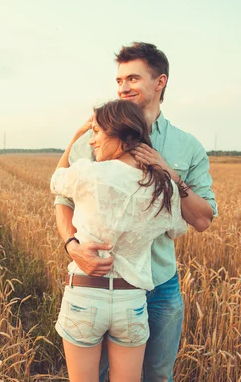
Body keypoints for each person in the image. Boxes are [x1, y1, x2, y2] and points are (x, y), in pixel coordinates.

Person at [54, 42, 218, 381]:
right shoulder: (95, 137)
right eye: (118, 81)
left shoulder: (187, 146)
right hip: (98, 279)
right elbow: (62, 201)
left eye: (132, 78)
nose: (123, 87)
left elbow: (203, 218)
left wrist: (170, 174)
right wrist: (72, 246)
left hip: (158, 286)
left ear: (160, 82)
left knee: (157, 375)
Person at [51, 99, 188, 381]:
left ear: (121, 135)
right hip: (132, 302)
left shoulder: (89, 173)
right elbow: (176, 230)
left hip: (85, 295)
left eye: (98, 132)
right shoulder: (164, 188)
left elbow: (56, 181)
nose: (92, 141)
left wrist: (74, 135)